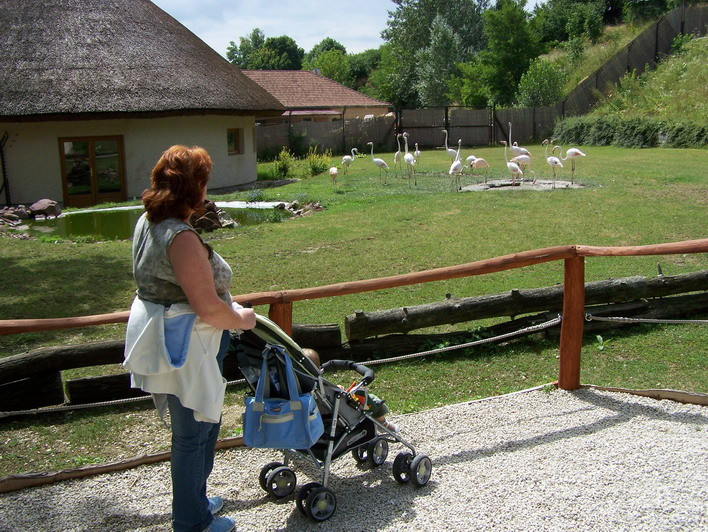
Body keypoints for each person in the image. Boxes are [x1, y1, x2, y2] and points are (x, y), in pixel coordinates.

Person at [123, 145, 255, 532]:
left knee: (201, 427)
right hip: (190, 346)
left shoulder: (148, 222)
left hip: (170, 338)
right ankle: (191, 520)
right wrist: (242, 318)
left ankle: (194, 498)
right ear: (193, 187)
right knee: (194, 432)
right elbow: (208, 308)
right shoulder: (179, 236)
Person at [301, 348, 399, 433]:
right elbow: (330, 398)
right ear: (318, 368)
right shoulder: (318, 385)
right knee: (368, 397)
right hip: (339, 415)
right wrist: (338, 390)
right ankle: (383, 424)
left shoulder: (299, 386)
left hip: (314, 419)